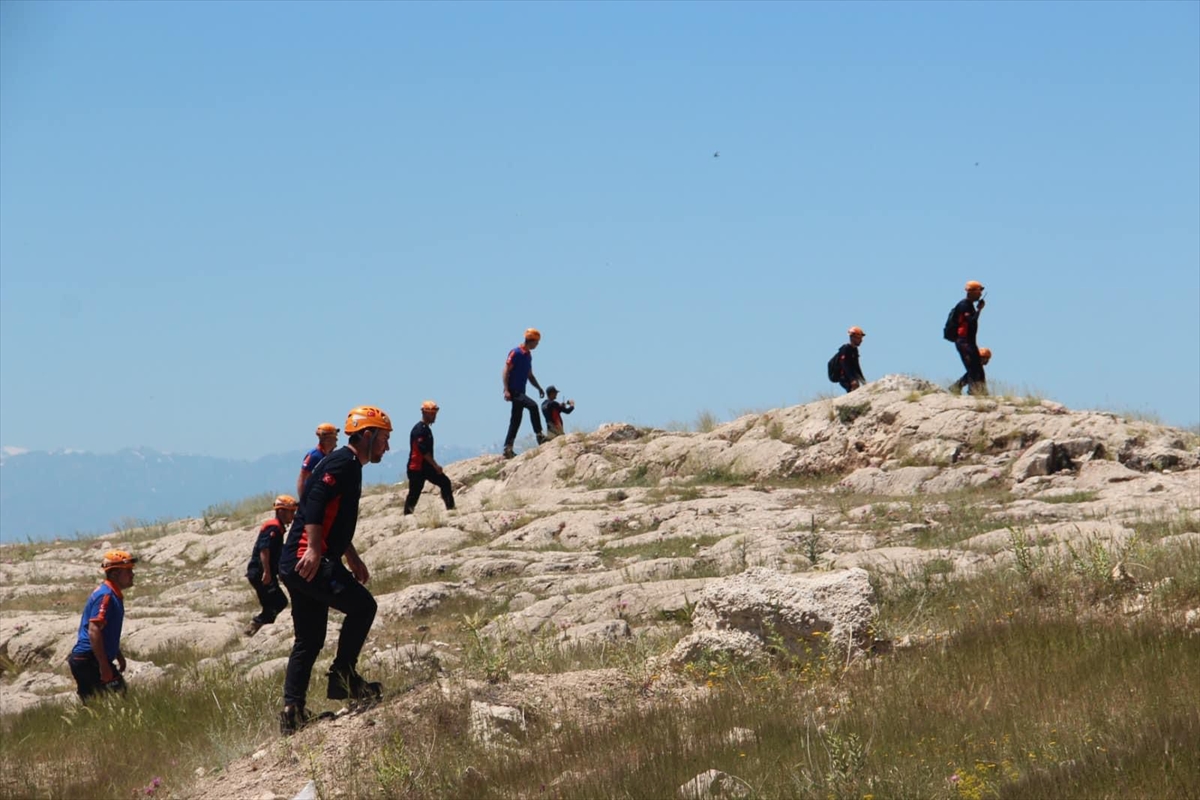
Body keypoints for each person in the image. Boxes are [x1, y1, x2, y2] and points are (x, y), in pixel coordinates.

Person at [277, 406, 392, 734]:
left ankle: (292, 712)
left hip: (297, 563)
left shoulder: (349, 464)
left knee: (309, 639)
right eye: (383, 438)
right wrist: (314, 549)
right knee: (364, 607)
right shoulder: (344, 463)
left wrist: (351, 556)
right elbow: (313, 502)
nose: (386, 446)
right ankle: (344, 679)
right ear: (367, 436)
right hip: (307, 560)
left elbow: (333, 518)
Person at [67, 550, 137, 701]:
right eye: (128, 571)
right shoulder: (105, 596)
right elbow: (94, 630)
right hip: (88, 660)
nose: (132, 574)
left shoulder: (112, 593)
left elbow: (106, 631)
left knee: (98, 705)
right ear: (115, 574)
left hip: (90, 660)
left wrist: (117, 654)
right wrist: (104, 666)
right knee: (118, 698)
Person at [244, 494, 298, 637]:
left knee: (276, 603)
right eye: (291, 512)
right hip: (260, 573)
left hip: (262, 573)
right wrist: (267, 572)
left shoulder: (278, 528)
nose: (293, 515)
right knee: (278, 602)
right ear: (281, 511)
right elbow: (264, 549)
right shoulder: (273, 527)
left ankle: (257, 629)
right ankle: (255, 628)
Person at [502, 328, 547, 458]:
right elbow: (505, 371)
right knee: (533, 406)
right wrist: (506, 390)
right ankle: (540, 436)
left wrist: (539, 388)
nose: (537, 345)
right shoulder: (516, 353)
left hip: (521, 391)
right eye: (536, 342)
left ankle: (507, 449)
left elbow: (530, 375)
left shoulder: (528, 356)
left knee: (516, 420)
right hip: (514, 391)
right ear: (531, 341)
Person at [404, 400, 455, 515]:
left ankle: (451, 510)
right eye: (431, 413)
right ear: (424, 413)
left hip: (425, 467)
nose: (434, 416)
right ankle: (407, 516)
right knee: (414, 493)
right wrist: (435, 465)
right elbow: (424, 451)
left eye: (435, 413)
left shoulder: (426, 429)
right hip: (416, 468)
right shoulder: (419, 429)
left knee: (445, 482)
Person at [947, 280, 988, 396]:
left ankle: (978, 391)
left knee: (977, 368)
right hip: (964, 342)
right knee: (973, 368)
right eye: (979, 291)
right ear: (972, 292)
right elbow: (971, 320)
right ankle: (968, 390)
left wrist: (978, 309)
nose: (980, 294)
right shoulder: (964, 305)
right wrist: (979, 309)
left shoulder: (969, 305)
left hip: (969, 341)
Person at [297, 423, 340, 499]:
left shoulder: (330, 455)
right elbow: (302, 478)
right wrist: (303, 501)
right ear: (327, 439)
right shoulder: (314, 455)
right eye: (334, 437)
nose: (337, 439)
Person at [835, 327, 867, 393]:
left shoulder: (855, 350)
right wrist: (852, 379)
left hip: (850, 375)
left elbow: (857, 366)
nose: (861, 340)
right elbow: (844, 364)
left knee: (855, 388)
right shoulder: (845, 348)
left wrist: (863, 381)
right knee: (853, 388)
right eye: (859, 338)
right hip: (843, 375)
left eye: (861, 338)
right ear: (852, 337)